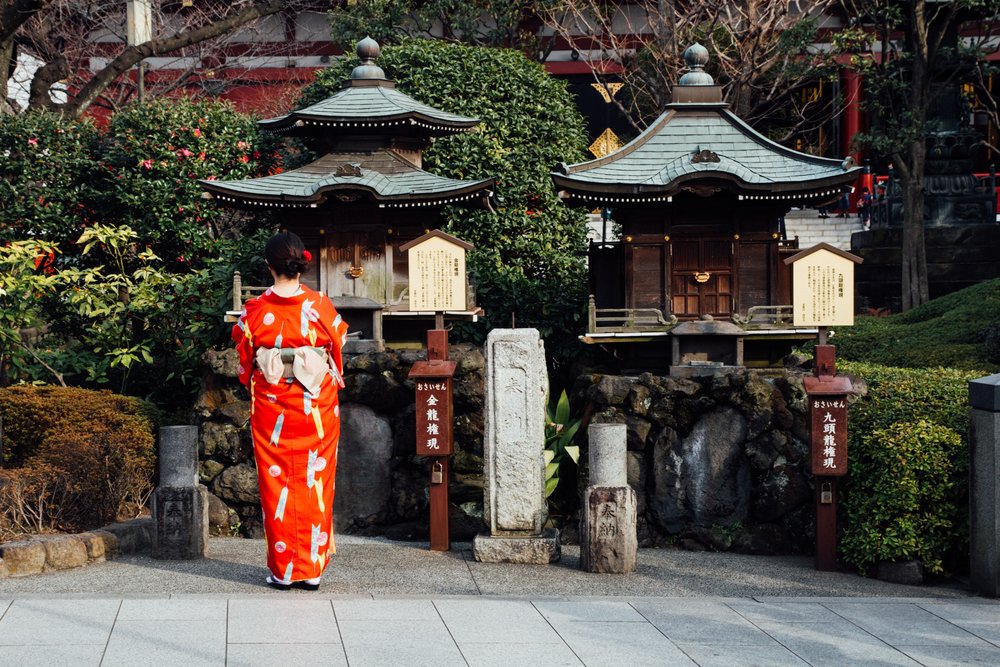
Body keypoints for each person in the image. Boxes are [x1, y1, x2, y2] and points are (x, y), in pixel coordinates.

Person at [232, 231, 349, 590]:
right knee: (315, 480)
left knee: (277, 480)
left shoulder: (254, 310)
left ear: (269, 265)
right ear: (301, 265)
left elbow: (245, 359)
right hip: (315, 404)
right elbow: (338, 345)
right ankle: (312, 568)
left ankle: (284, 569)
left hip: (272, 405)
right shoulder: (320, 306)